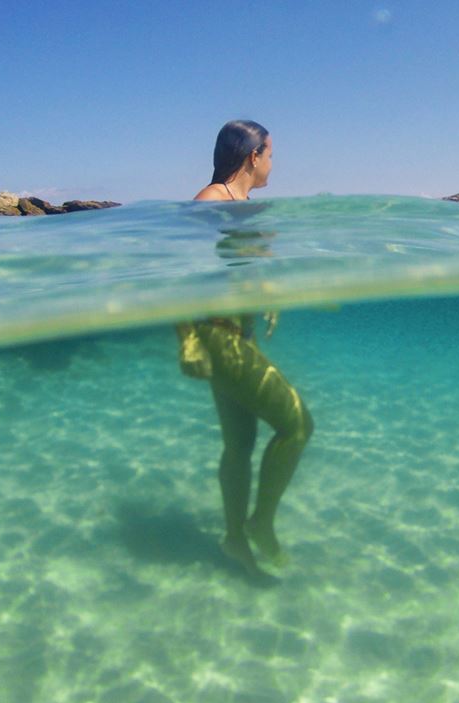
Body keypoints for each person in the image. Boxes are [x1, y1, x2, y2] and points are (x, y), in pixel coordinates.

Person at [177, 120, 313, 576]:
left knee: (240, 443)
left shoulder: (247, 206)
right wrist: (189, 339)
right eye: (271, 154)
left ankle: (235, 540)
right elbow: (173, 274)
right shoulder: (211, 200)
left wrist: (268, 296)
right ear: (253, 156)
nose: (274, 163)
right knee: (296, 426)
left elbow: (249, 267)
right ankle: (260, 524)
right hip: (217, 336)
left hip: (238, 336)